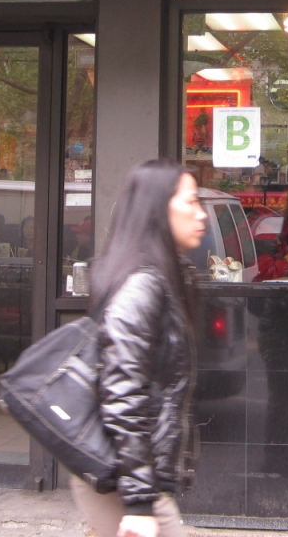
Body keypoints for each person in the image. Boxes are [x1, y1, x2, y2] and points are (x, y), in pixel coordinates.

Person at [70, 159, 206, 537]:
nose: (201, 215)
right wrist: (140, 503)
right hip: (121, 475)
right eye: (191, 202)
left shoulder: (166, 275)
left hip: (132, 474)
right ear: (157, 210)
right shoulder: (142, 284)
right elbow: (123, 392)